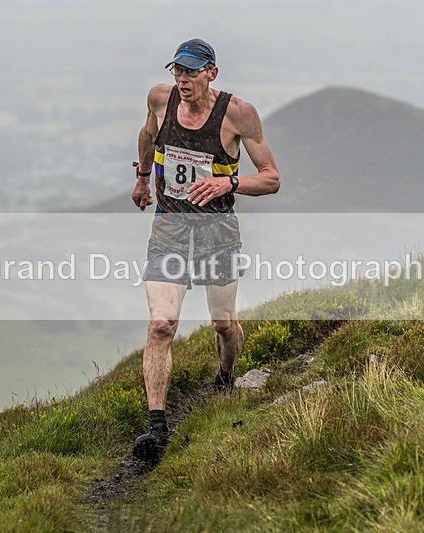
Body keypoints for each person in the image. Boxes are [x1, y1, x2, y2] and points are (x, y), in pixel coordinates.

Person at [130, 38, 280, 461]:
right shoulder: (160, 101)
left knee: (223, 325)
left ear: (211, 73)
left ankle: (226, 376)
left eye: (191, 72)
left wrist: (228, 182)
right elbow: (146, 135)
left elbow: (271, 178)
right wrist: (142, 178)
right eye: (177, 71)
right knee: (161, 325)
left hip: (217, 230)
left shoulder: (238, 114)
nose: (182, 80)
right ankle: (156, 428)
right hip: (170, 228)